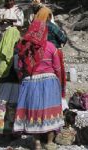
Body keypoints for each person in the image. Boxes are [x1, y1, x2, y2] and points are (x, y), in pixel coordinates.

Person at [13, 20, 65, 150]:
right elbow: (57, 68)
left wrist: (23, 79)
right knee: (50, 110)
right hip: (49, 81)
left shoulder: (24, 47)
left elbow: (19, 67)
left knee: (34, 111)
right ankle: (49, 142)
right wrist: (58, 82)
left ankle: (36, 142)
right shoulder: (50, 46)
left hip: (30, 81)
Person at [0, 27, 20, 136]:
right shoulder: (19, 49)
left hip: (4, 82)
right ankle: (13, 131)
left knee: (2, 104)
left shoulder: (1, 48)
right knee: (13, 105)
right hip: (16, 83)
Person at [35, 6, 68, 97]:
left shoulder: (36, 26)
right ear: (49, 16)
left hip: (40, 53)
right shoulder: (51, 26)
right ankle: (58, 94)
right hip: (54, 52)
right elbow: (63, 38)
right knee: (57, 74)